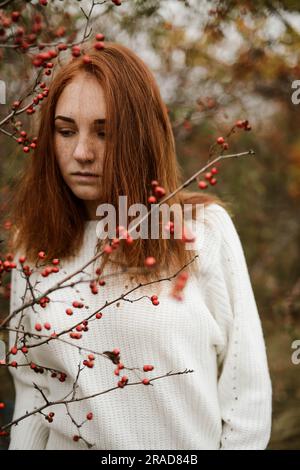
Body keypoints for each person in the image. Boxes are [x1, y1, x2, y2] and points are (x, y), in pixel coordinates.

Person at [7, 41, 272, 450]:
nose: (81, 152)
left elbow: (245, 392)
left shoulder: (199, 230)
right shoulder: (34, 243)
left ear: (139, 137)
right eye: (65, 131)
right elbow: (32, 390)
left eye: (104, 132)